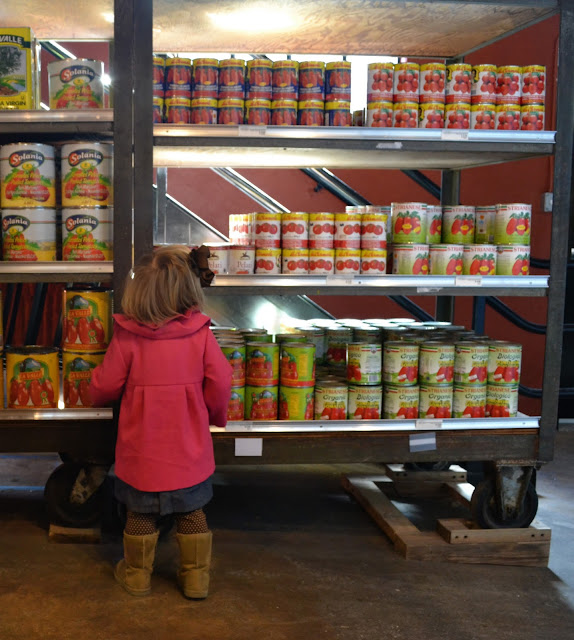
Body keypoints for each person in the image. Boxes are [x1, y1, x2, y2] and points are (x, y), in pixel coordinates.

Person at [90, 245, 232, 598]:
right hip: (189, 452)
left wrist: (91, 390)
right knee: (192, 514)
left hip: (141, 453)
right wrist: (216, 416)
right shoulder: (200, 335)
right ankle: (196, 579)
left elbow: (105, 386)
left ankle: (137, 576)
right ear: (189, 290)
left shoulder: (128, 337)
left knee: (139, 515)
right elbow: (221, 380)